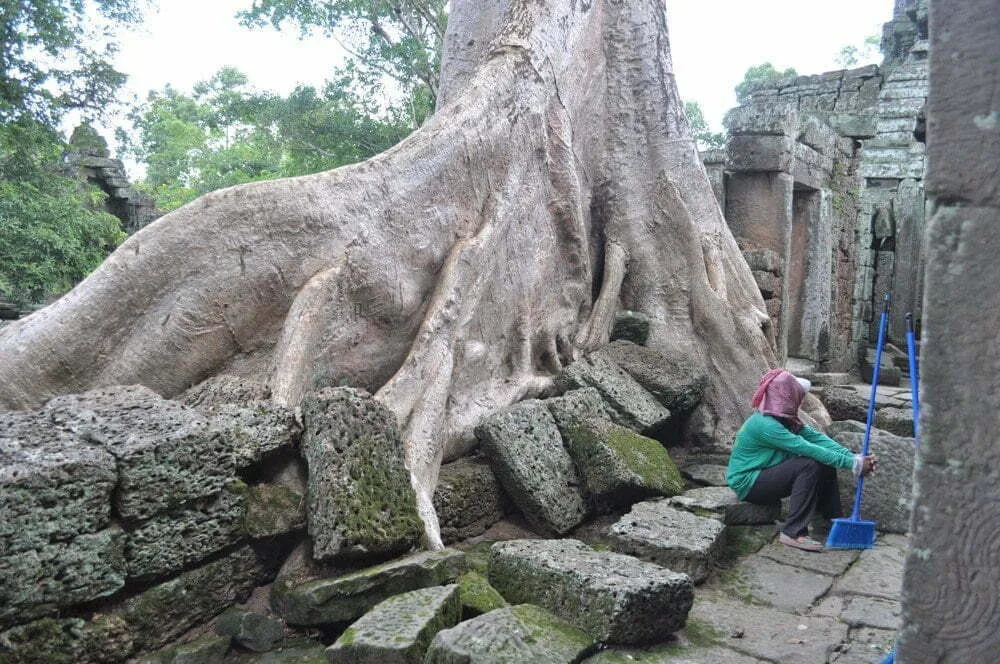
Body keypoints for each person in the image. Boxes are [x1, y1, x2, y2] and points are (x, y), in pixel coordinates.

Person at [726, 369, 877, 552]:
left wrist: (853, 456)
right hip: (748, 483)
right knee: (809, 464)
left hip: (764, 472)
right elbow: (807, 448)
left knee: (822, 462)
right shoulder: (766, 425)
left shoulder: (785, 420)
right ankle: (792, 532)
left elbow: (818, 439)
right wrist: (853, 464)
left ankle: (830, 523)